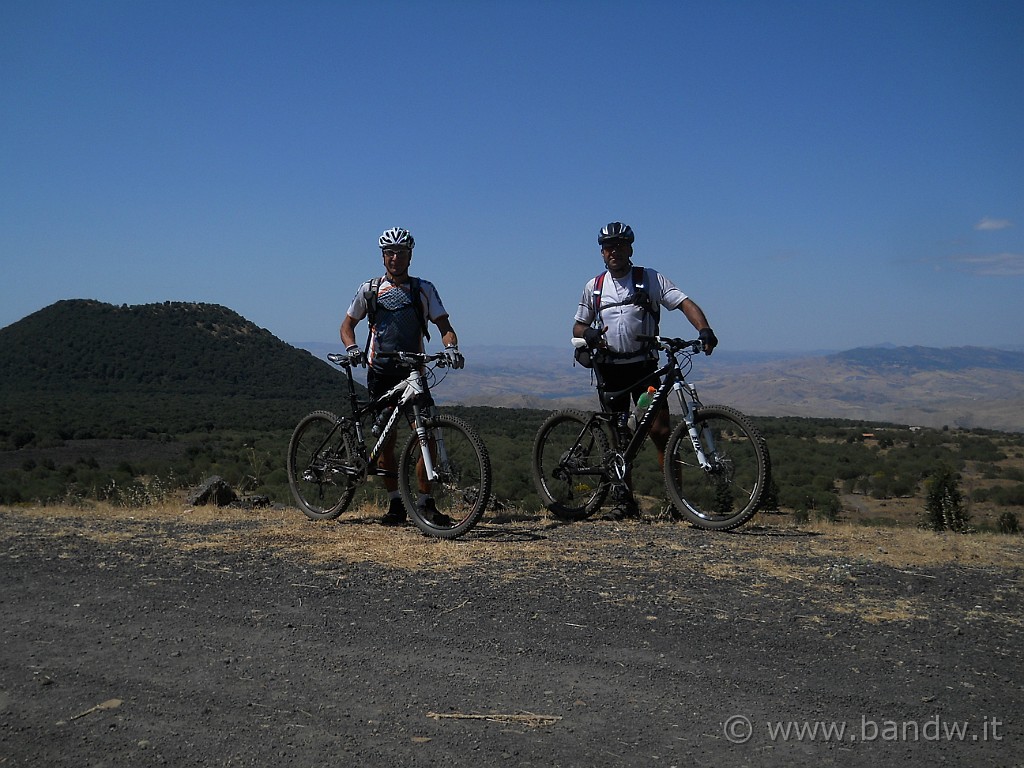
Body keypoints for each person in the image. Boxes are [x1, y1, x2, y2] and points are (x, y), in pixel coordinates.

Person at [572, 221, 718, 519]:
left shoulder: (650, 279)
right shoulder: (594, 287)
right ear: (602, 253)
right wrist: (588, 334)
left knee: (661, 432)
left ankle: (677, 505)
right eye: (608, 246)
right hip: (610, 369)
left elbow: (684, 303)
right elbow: (578, 324)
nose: (614, 250)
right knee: (618, 437)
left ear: (630, 248)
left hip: (645, 368)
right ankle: (625, 503)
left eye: (620, 245)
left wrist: (704, 329)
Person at [340, 227, 465, 526]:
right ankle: (395, 503)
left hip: (414, 372)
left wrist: (452, 347)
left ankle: (424, 503)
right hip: (380, 373)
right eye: (390, 253)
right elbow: (347, 326)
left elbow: (444, 326)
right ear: (383, 257)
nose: (395, 258)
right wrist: (353, 347)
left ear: (410, 256)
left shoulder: (423, 289)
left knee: (428, 435)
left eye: (401, 253)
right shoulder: (369, 290)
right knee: (387, 438)